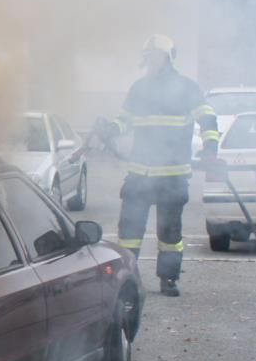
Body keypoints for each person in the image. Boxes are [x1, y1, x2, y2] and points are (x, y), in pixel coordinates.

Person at [94, 34, 219, 297]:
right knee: (129, 231)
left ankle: (168, 280)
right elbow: (124, 119)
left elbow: (207, 118)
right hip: (140, 175)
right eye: (148, 58)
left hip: (172, 178)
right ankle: (126, 279)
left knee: (170, 233)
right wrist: (110, 129)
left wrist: (211, 150)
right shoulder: (139, 88)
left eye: (155, 57)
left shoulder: (187, 88)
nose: (151, 62)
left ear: (168, 57)